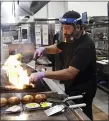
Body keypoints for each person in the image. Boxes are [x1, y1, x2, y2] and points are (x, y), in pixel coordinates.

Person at [29, 10, 97, 120]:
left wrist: (43, 74)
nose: (64, 31)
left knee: (82, 116)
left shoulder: (86, 45)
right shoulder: (71, 39)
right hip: (71, 87)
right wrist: (44, 49)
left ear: (78, 27)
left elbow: (70, 73)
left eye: (67, 28)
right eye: (63, 28)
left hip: (83, 90)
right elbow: (57, 48)